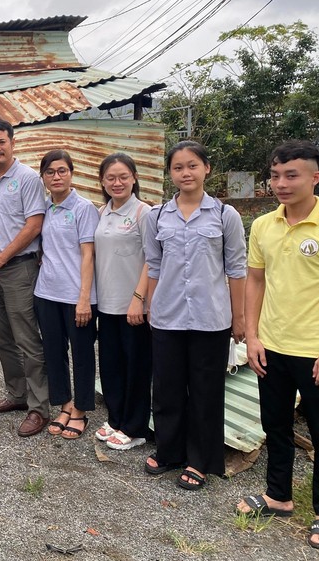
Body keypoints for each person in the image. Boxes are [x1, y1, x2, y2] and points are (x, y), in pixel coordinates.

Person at [236, 141, 319, 551]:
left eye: (291, 175)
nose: (281, 183)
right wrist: (253, 337)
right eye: (275, 175)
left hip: (316, 353)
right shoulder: (262, 226)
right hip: (271, 346)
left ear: (315, 178)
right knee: (275, 427)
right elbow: (255, 280)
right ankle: (278, 496)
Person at [142, 140, 246, 491]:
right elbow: (154, 266)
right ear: (169, 173)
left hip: (210, 319)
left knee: (206, 390)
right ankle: (169, 451)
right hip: (167, 317)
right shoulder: (157, 216)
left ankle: (199, 460)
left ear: (206, 169)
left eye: (192, 165)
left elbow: (236, 269)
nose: (185, 173)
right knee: (167, 389)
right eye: (178, 167)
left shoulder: (224, 216)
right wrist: (149, 308)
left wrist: (240, 317)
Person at [0, 119, 48, 437]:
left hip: (18, 268)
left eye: (1, 141)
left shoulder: (28, 178)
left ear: (12, 143)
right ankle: (17, 395)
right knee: (1, 338)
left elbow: (34, 224)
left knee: (27, 339)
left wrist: (2, 256)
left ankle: (39, 407)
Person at [33, 150, 99, 440]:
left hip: (76, 296)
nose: (56, 177)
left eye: (62, 171)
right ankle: (65, 404)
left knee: (82, 353)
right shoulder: (44, 208)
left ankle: (82, 410)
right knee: (54, 351)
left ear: (72, 173)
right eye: (50, 172)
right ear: (43, 178)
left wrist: (84, 298)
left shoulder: (84, 208)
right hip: (46, 292)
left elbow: (89, 255)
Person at [93, 153, 152, 451]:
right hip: (107, 303)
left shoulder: (144, 212)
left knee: (137, 367)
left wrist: (139, 299)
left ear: (134, 178)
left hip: (133, 306)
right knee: (112, 366)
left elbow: (153, 260)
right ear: (102, 181)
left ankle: (136, 427)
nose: (117, 183)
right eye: (111, 178)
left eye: (123, 177)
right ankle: (116, 419)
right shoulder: (102, 212)